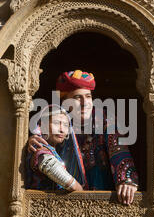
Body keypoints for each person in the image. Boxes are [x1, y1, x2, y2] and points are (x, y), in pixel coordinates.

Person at [28, 70, 139, 205]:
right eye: (77, 98)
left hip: (103, 197)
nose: (84, 102)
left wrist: (126, 180)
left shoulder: (104, 118)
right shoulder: (56, 120)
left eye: (88, 96)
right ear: (64, 101)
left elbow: (119, 149)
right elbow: (41, 149)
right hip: (65, 198)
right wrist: (33, 142)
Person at [26, 104, 86, 192]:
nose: (62, 129)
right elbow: (72, 186)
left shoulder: (55, 151)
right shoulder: (40, 149)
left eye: (66, 125)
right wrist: (81, 192)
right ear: (43, 125)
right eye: (56, 123)